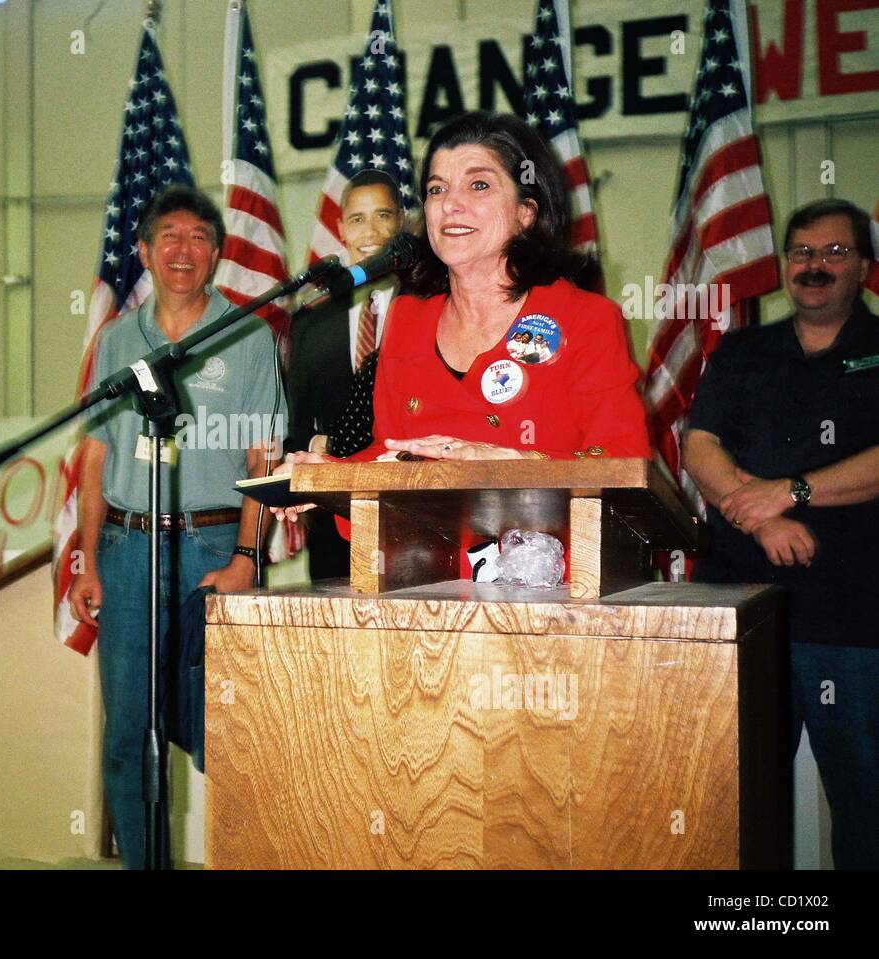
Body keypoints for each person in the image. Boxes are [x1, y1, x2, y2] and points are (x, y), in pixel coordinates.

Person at [274, 111, 649, 540]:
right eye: (437, 189)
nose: (451, 204)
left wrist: (509, 464)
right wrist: (331, 476)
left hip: (550, 581)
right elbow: (393, 457)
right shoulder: (407, 319)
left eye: (479, 185)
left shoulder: (585, 319)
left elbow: (625, 464)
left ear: (526, 212)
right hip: (426, 581)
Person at [68, 184, 285, 869]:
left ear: (217, 252)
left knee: (228, 730)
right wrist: (92, 561)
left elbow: (262, 456)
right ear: (143, 251)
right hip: (128, 550)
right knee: (129, 733)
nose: (182, 249)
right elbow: (97, 453)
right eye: (168, 235)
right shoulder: (116, 342)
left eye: (198, 237)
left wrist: (249, 556)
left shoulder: (247, 335)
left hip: (213, 547)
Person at [683, 198, 879, 869]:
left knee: (867, 808)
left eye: (834, 252)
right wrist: (758, 511)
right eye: (801, 253)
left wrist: (789, 491)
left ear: (865, 266)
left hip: (853, 622)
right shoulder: (742, 351)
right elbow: (699, 444)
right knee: (739, 806)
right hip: (741, 612)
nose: (814, 266)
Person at [284, 168, 405, 580]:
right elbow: (297, 422)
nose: (370, 230)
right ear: (340, 228)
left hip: (411, 504)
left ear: (402, 222)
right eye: (357, 218)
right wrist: (316, 446)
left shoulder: (431, 305)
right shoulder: (312, 319)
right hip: (333, 515)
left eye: (383, 215)